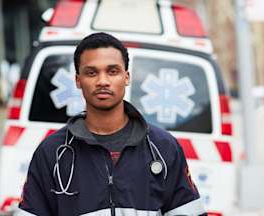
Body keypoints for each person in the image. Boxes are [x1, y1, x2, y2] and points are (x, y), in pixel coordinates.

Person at [16, 32, 207, 216]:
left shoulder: (163, 147)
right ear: (78, 80)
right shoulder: (51, 153)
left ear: (126, 77)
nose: (102, 81)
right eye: (91, 73)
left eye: (112, 71)